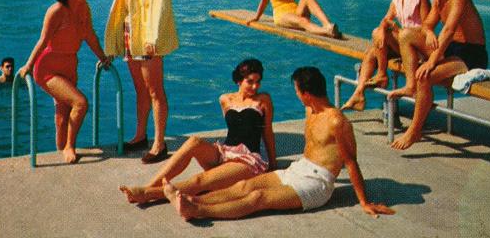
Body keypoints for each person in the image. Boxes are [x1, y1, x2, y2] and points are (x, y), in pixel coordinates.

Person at [163, 67, 394, 221]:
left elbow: (351, 162)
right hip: (299, 169)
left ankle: (198, 211)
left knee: (258, 198)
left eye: (296, 91)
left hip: (317, 184)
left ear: (306, 93)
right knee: (245, 187)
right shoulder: (310, 110)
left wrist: (364, 202)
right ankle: (192, 200)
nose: (296, 95)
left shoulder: (336, 121)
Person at [119, 58, 277, 204]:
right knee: (194, 141)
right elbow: (235, 129)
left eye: (258, 82)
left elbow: (267, 132)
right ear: (238, 81)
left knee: (200, 181)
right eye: (250, 82)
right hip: (224, 153)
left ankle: (148, 194)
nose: (255, 86)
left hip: (247, 160)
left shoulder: (263, 100)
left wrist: (273, 164)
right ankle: (150, 185)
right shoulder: (225, 99)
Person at [389, 0, 487, 150]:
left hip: (470, 53)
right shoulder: (437, 2)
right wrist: (428, 32)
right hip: (450, 48)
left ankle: (415, 130)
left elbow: (449, 30)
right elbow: (427, 24)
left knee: (424, 77)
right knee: (406, 35)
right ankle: (410, 86)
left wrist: (432, 61)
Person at [19, 0, 112, 163]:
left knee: (62, 118)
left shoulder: (85, 9)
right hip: (48, 70)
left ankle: (61, 151)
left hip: (70, 67)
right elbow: (43, 41)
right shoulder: (56, 11)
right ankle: (70, 146)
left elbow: (90, 36)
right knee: (80, 103)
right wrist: (28, 65)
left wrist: (103, 58)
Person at [104, 0, 179, 163]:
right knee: (140, 90)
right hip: (130, 36)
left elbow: (161, 5)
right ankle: (140, 136)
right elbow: (121, 10)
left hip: (147, 37)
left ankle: (159, 143)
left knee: (155, 90)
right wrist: (113, 43)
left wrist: (153, 37)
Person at [341, 0, 431, 111]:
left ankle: (382, 74)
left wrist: (395, 30)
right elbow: (385, 20)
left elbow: (427, 28)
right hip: (403, 44)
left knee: (377, 34)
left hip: (417, 47)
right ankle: (359, 93)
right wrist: (384, 29)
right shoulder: (396, 0)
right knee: (371, 52)